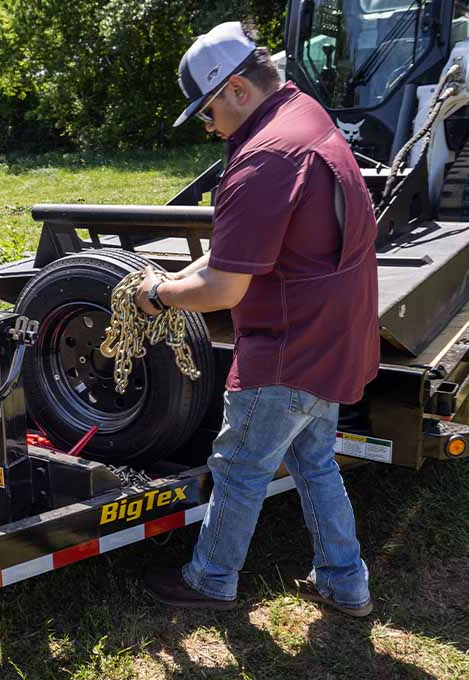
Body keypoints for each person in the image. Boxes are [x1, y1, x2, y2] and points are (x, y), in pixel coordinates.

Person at [136, 21, 380, 617]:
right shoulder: (306, 117)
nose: (207, 125)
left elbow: (222, 286)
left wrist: (159, 293)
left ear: (238, 89)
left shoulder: (263, 158)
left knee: (239, 466)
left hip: (287, 347)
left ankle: (211, 579)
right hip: (334, 336)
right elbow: (248, 251)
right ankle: (345, 582)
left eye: (206, 110)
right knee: (314, 458)